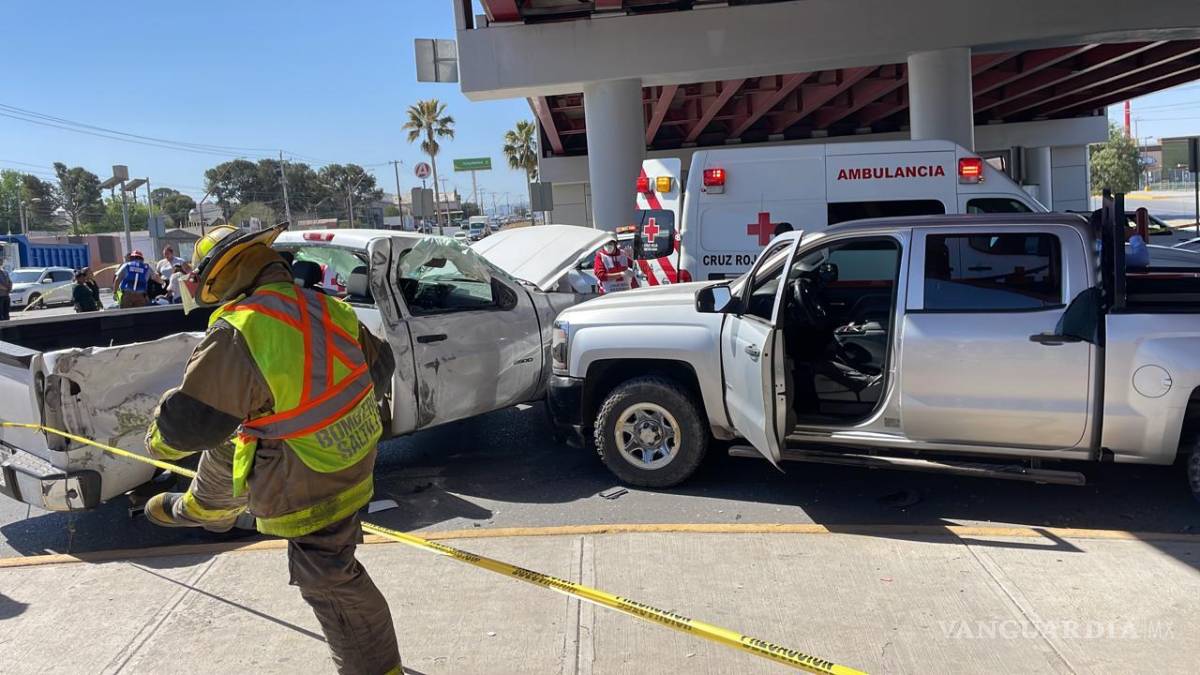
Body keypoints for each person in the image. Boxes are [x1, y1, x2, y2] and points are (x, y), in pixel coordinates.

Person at [141, 224, 402, 674]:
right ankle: (206, 509)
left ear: (219, 277)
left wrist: (156, 441)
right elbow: (381, 366)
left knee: (328, 578)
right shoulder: (326, 306)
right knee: (237, 438)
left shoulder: (241, 330)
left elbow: (190, 426)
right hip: (354, 456)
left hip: (307, 477)